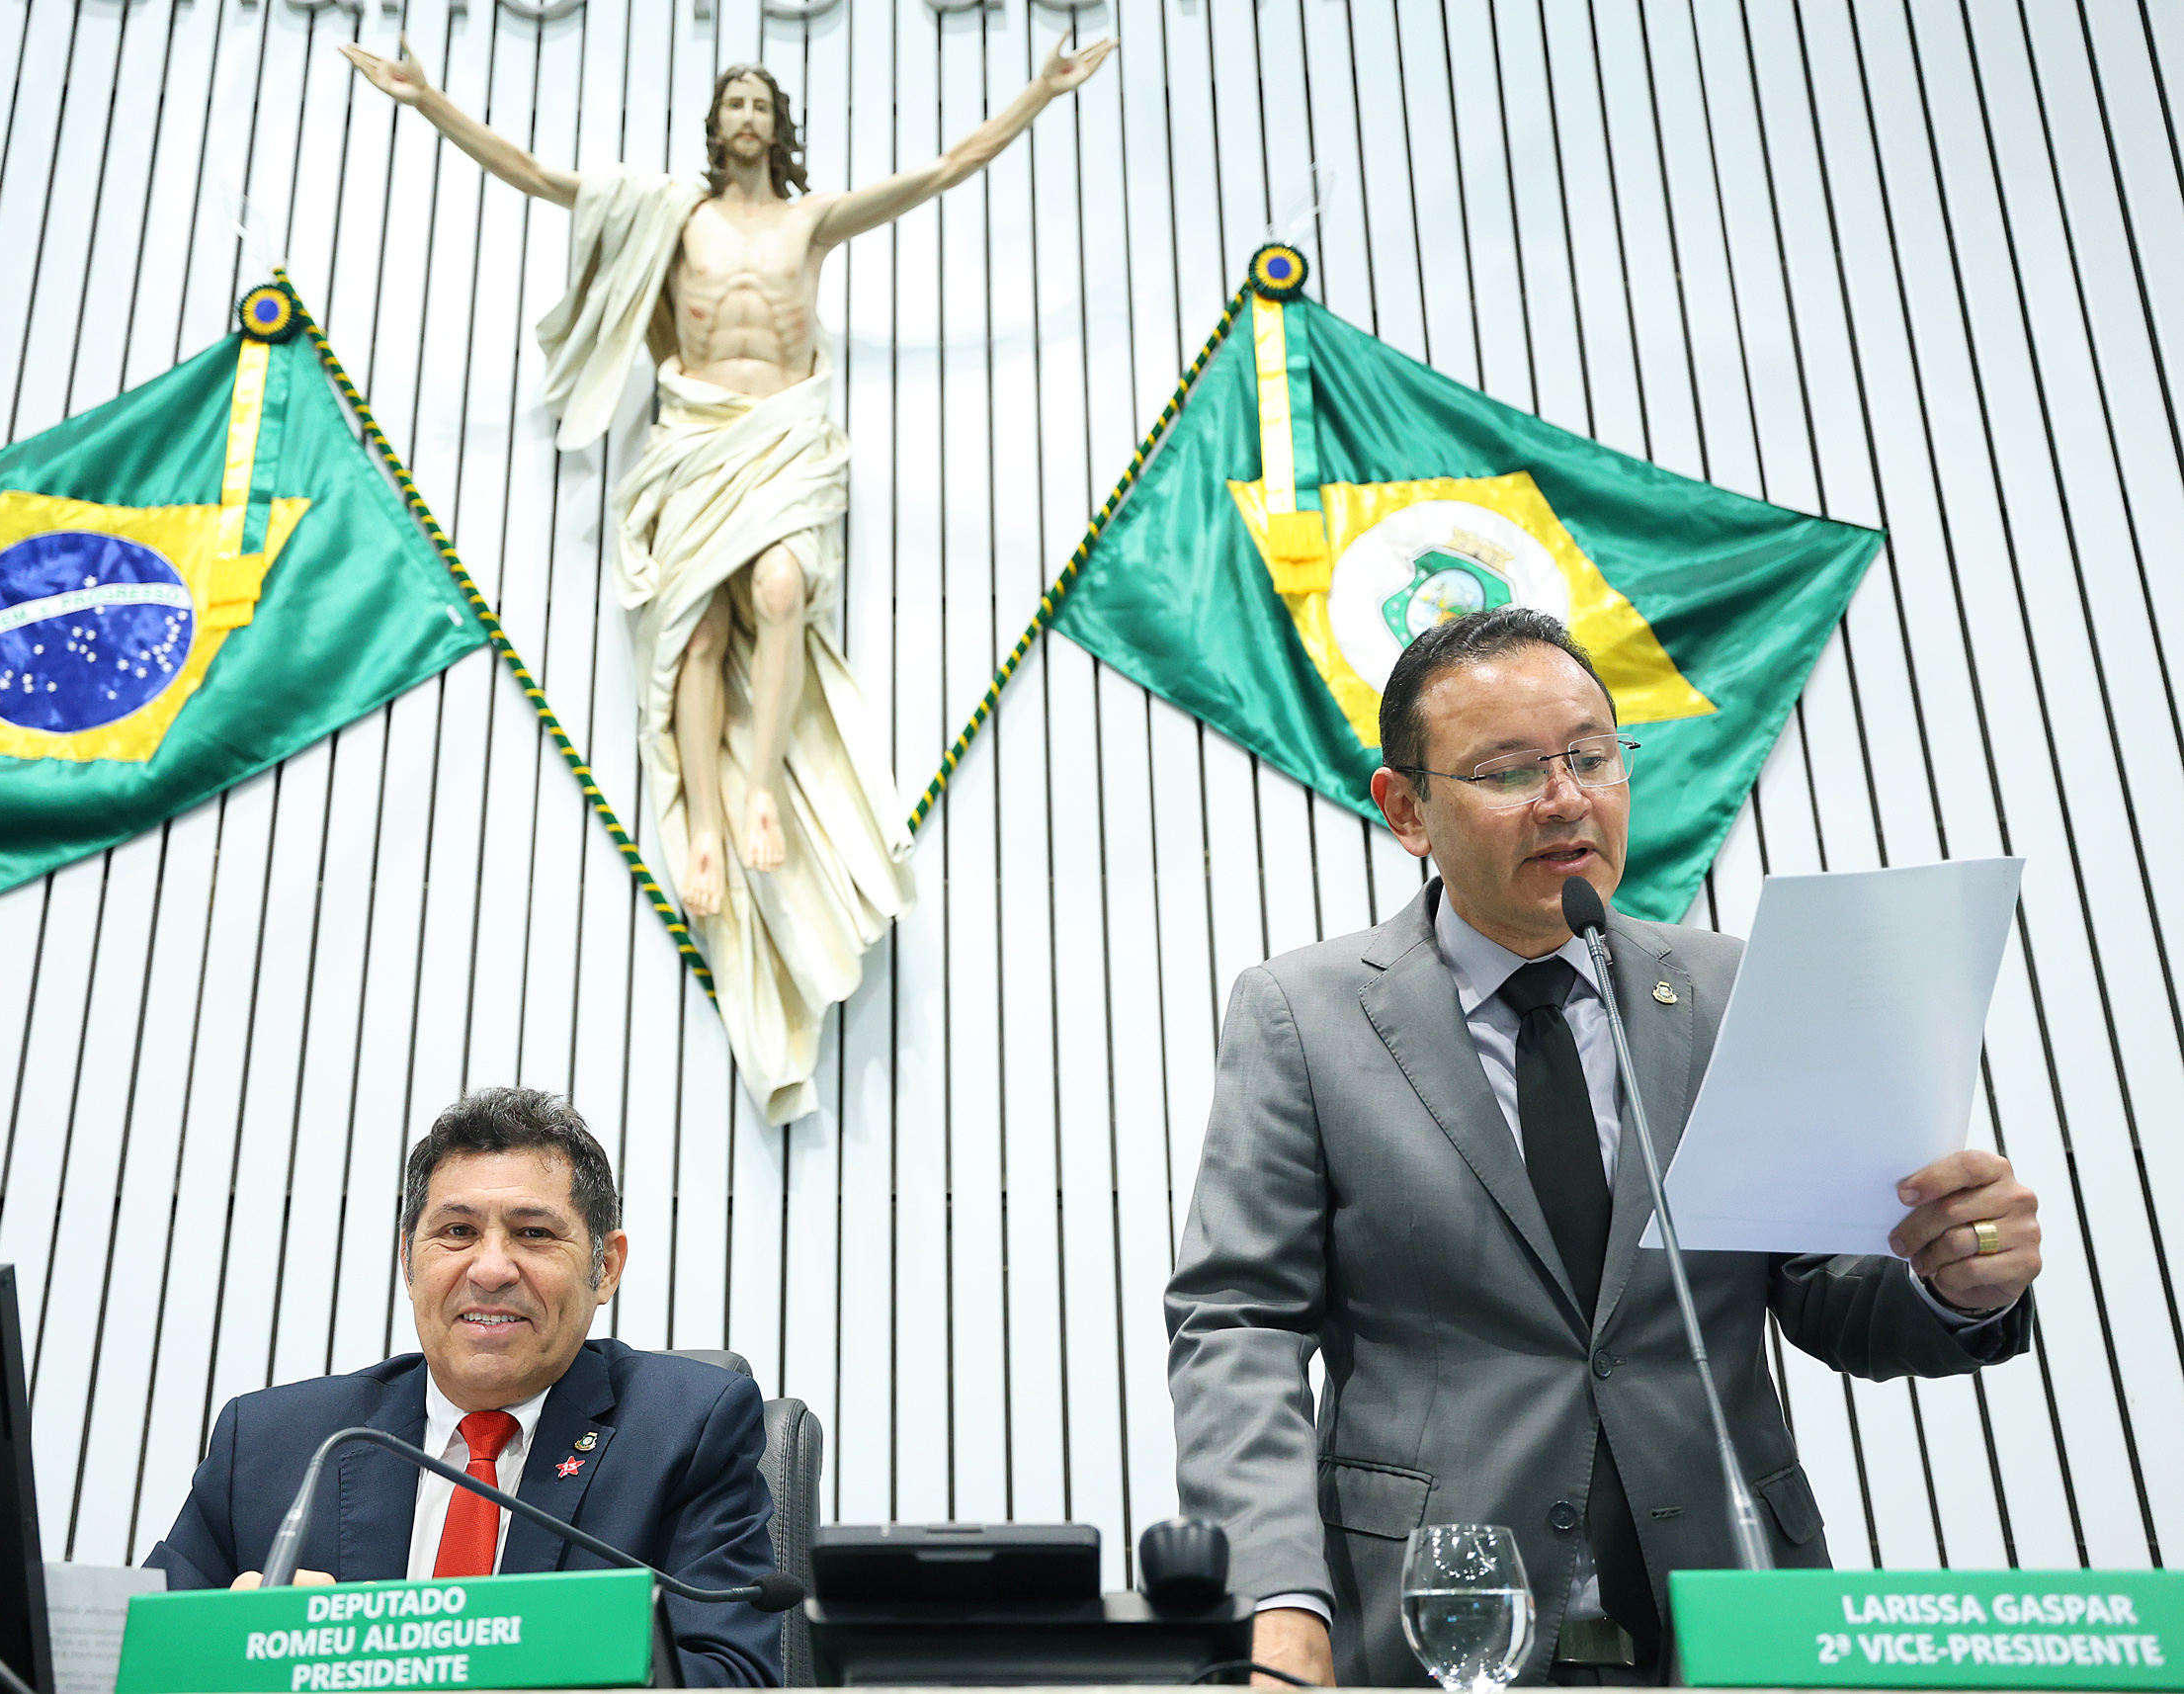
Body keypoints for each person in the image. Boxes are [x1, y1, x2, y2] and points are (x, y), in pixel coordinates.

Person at [1164, 607, 2042, 1687]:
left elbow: (1822, 1289)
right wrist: (1277, 1599)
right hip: (1444, 1612)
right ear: (1407, 809)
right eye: (1508, 769)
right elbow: (1238, 1323)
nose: (1568, 797)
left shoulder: (1729, 990)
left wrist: (1960, 1285)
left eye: (1590, 755)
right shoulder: (1304, 1015)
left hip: (1728, 1603)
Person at [339, 41, 1113, 1125]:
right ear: (716, 123)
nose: (746, 111)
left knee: (787, 589)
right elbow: (531, 173)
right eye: (731, 99)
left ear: (778, 123)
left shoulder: (811, 220)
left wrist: (1039, 92)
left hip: (790, 432)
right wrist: (427, 102)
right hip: (696, 433)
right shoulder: (673, 214)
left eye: (761, 99)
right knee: (695, 640)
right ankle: (704, 821)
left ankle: (758, 787)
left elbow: (944, 169)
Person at [143, 1088, 783, 1686]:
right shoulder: (274, 1443)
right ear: (407, 1259)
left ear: (606, 1266)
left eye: (533, 1233)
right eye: (456, 1232)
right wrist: (249, 1648)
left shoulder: (684, 1428)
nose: (490, 1268)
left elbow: (733, 1680)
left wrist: (363, 1650)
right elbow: (138, 1660)